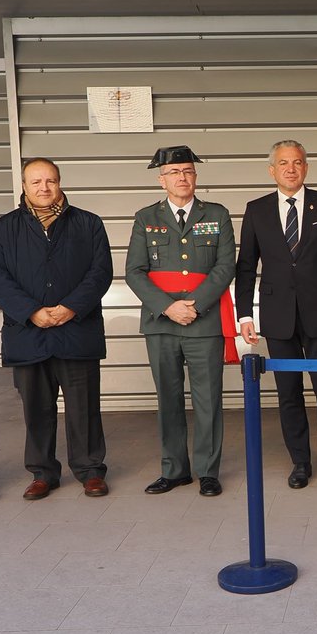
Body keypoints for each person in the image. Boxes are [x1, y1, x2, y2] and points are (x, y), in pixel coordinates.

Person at [0, 158, 113, 500]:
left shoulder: (88, 223)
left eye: (50, 181)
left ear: (59, 182)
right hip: (28, 334)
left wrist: (71, 307)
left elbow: (100, 272)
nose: (44, 188)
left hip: (77, 331)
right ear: (24, 186)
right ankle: (43, 473)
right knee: (36, 409)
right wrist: (31, 312)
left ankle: (90, 470)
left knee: (84, 408)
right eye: (36, 182)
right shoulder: (3, 229)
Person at [235, 140, 317, 490]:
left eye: (297, 162)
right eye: (283, 163)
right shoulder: (256, 210)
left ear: (306, 167)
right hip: (277, 316)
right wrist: (244, 315)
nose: (291, 169)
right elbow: (245, 267)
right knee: (288, 394)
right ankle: (300, 462)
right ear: (272, 170)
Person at [126, 146, 237, 497]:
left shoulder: (217, 214)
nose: (182, 177)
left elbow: (225, 267)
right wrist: (168, 307)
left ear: (195, 177)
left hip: (204, 322)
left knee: (208, 400)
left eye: (188, 171)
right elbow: (134, 271)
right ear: (162, 180)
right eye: (174, 173)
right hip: (161, 322)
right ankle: (174, 470)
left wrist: (196, 305)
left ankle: (208, 471)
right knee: (168, 398)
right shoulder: (145, 218)